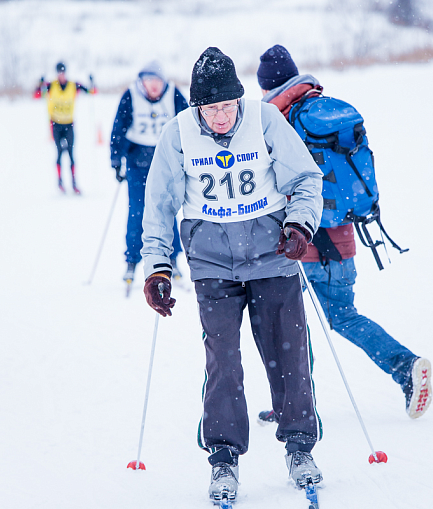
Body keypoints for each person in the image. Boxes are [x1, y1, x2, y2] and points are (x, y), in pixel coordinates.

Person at [141, 47, 324, 503]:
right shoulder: (177, 134)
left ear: (238, 101)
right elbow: (159, 208)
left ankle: (300, 448)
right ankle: (224, 459)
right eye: (210, 108)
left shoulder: (263, 120)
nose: (220, 117)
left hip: (272, 258)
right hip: (212, 267)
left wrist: (300, 226)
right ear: (196, 107)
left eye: (227, 106)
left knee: (290, 359)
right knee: (223, 364)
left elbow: (306, 179)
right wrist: (158, 268)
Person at [255, 45, 432, 423]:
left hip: (297, 245)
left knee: (290, 327)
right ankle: (406, 366)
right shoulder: (328, 111)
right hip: (342, 240)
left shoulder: (276, 122)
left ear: (266, 86)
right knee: (346, 317)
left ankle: (294, 404)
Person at [110, 61, 188, 284]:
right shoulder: (130, 95)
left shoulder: (173, 94)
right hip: (137, 162)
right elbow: (119, 127)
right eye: (149, 81)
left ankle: (172, 258)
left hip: (165, 161)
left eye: (158, 81)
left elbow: (187, 125)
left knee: (166, 209)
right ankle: (132, 259)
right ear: (142, 82)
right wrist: (116, 159)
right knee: (137, 210)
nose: (154, 86)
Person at [34, 62, 92, 194]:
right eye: (59, 72)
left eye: (63, 72)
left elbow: (91, 91)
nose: (61, 75)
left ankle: (74, 183)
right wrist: (40, 84)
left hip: (69, 124)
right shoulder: (50, 86)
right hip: (55, 124)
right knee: (59, 152)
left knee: (71, 154)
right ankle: (60, 182)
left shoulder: (73, 85)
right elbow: (36, 95)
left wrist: (92, 83)